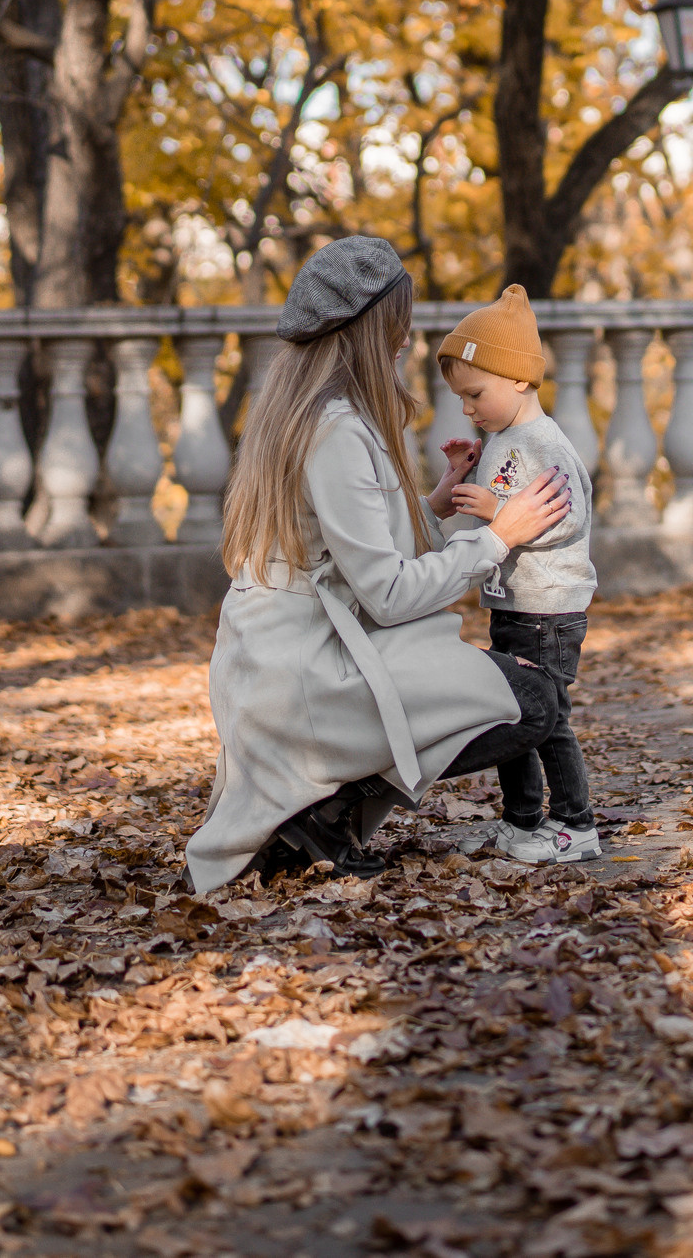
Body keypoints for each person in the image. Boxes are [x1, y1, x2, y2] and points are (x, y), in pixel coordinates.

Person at [186, 236, 573, 892]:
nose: (406, 340)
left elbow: (342, 543)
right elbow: (389, 592)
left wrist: (435, 502)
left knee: (517, 686)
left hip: (281, 659)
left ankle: (309, 809)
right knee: (535, 700)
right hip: (307, 673)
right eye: (397, 325)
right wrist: (496, 538)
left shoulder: (304, 413)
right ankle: (317, 809)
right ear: (368, 329)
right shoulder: (336, 427)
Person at [427, 285, 602, 863]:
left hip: (548, 607)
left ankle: (576, 825)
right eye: (462, 398)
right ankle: (523, 820)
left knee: (547, 717)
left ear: (519, 380)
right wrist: (462, 477)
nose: (468, 408)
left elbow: (564, 519)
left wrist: (500, 516)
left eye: (475, 393)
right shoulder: (503, 439)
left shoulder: (541, 441)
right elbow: (499, 504)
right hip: (512, 603)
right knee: (514, 710)